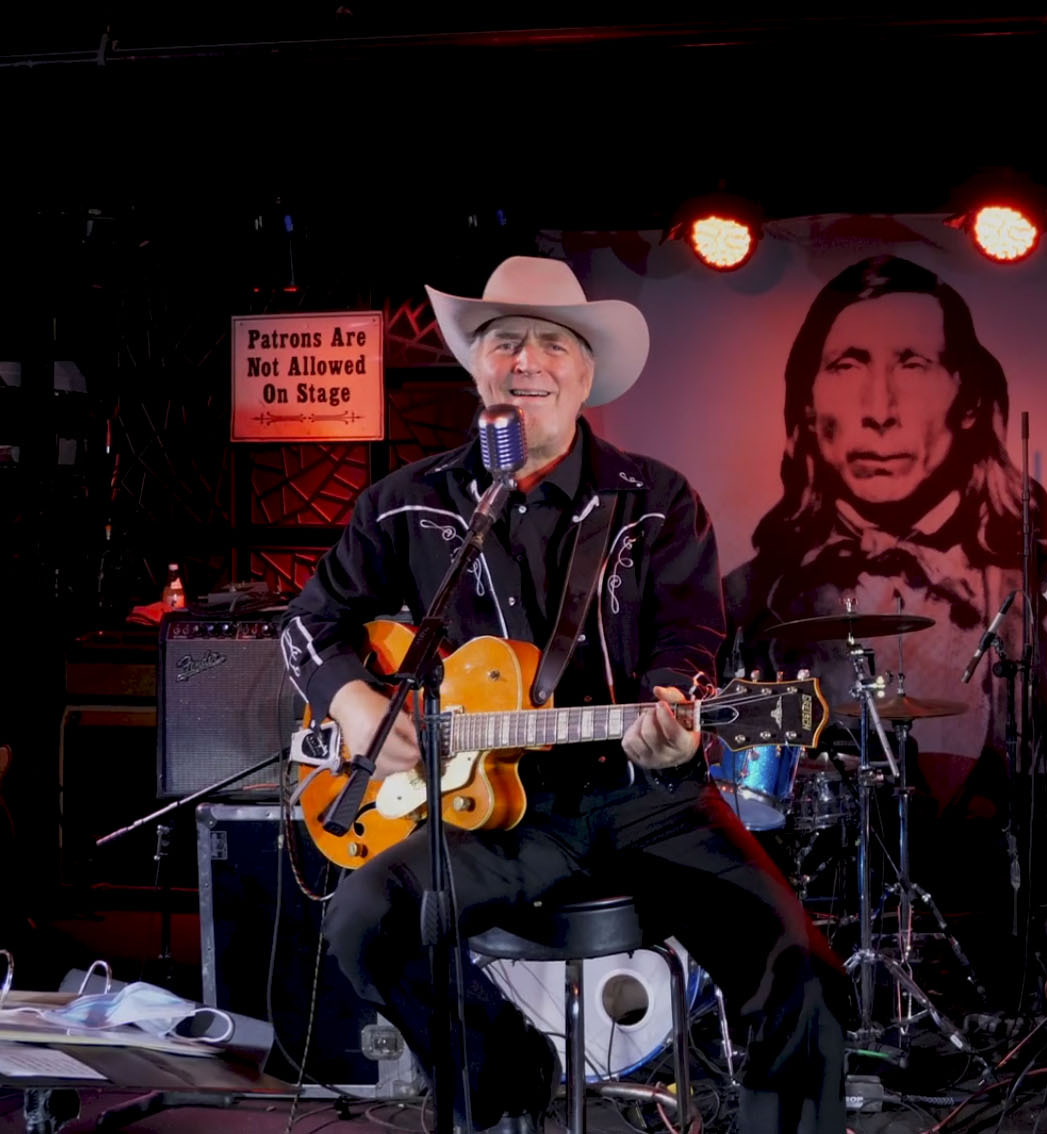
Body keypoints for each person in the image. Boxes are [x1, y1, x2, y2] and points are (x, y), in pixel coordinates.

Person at [281, 255, 847, 1132]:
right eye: (506, 341)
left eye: (553, 343)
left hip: (647, 803)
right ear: (477, 363)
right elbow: (308, 628)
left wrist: (673, 718)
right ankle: (504, 1068)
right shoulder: (405, 505)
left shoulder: (656, 502)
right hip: (495, 818)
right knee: (362, 919)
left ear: (585, 376)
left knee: (798, 968)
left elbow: (689, 642)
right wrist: (355, 702)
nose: (528, 361)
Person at [723, 254, 1047, 776]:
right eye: (847, 365)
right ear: (807, 403)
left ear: (968, 400)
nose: (879, 410)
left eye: (913, 365)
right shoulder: (743, 603)